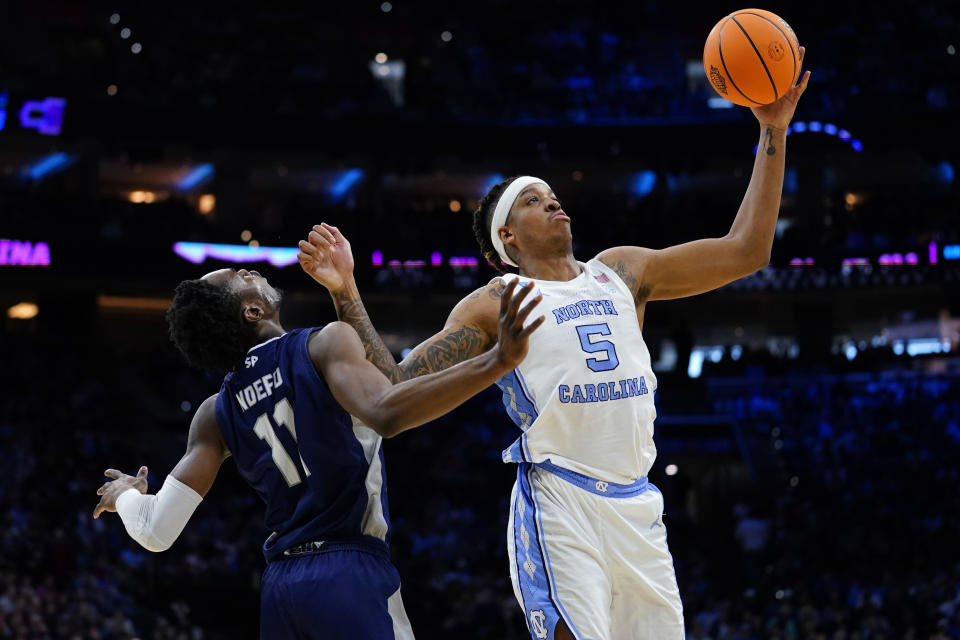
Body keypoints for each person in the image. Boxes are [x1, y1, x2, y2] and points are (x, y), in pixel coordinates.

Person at [296, 56, 810, 640]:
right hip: (563, 501)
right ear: (506, 237)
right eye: (533, 201)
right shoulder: (496, 300)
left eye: (552, 195)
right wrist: (346, 291)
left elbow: (747, 250)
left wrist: (773, 128)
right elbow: (393, 389)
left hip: (639, 505)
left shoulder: (622, 271)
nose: (553, 201)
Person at [92, 249, 544, 639]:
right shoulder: (324, 343)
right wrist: (497, 360)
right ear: (251, 311)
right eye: (240, 276)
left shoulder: (215, 413)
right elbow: (388, 410)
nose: (250, 271)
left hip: (281, 588)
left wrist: (127, 494)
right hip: (348, 571)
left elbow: (154, 531)